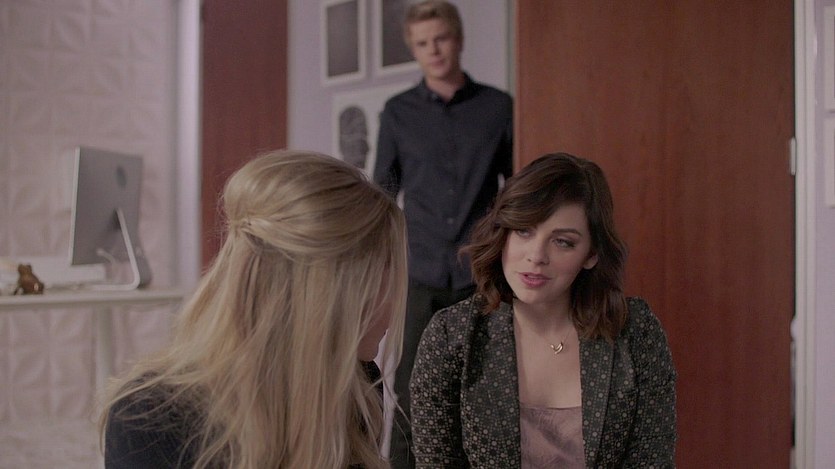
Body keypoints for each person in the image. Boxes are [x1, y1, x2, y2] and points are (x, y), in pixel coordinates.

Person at [100, 150, 409, 469]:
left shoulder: (356, 387)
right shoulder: (150, 418)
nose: (398, 301)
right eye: (387, 275)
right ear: (333, 291)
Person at [410, 152, 677, 468]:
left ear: (591, 254)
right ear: (503, 233)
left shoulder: (635, 333)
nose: (536, 256)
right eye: (523, 231)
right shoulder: (452, 337)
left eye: (562, 241)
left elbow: (651, 461)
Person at [372, 2, 513, 466]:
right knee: (412, 390)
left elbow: (518, 192)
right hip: (421, 273)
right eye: (422, 43)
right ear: (413, 50)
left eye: (441, 38)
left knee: (483, 390)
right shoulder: (397, 113)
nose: (433, 50)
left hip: (480, 274)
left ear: (459, 39)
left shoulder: (499, 108)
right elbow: (383, 194)